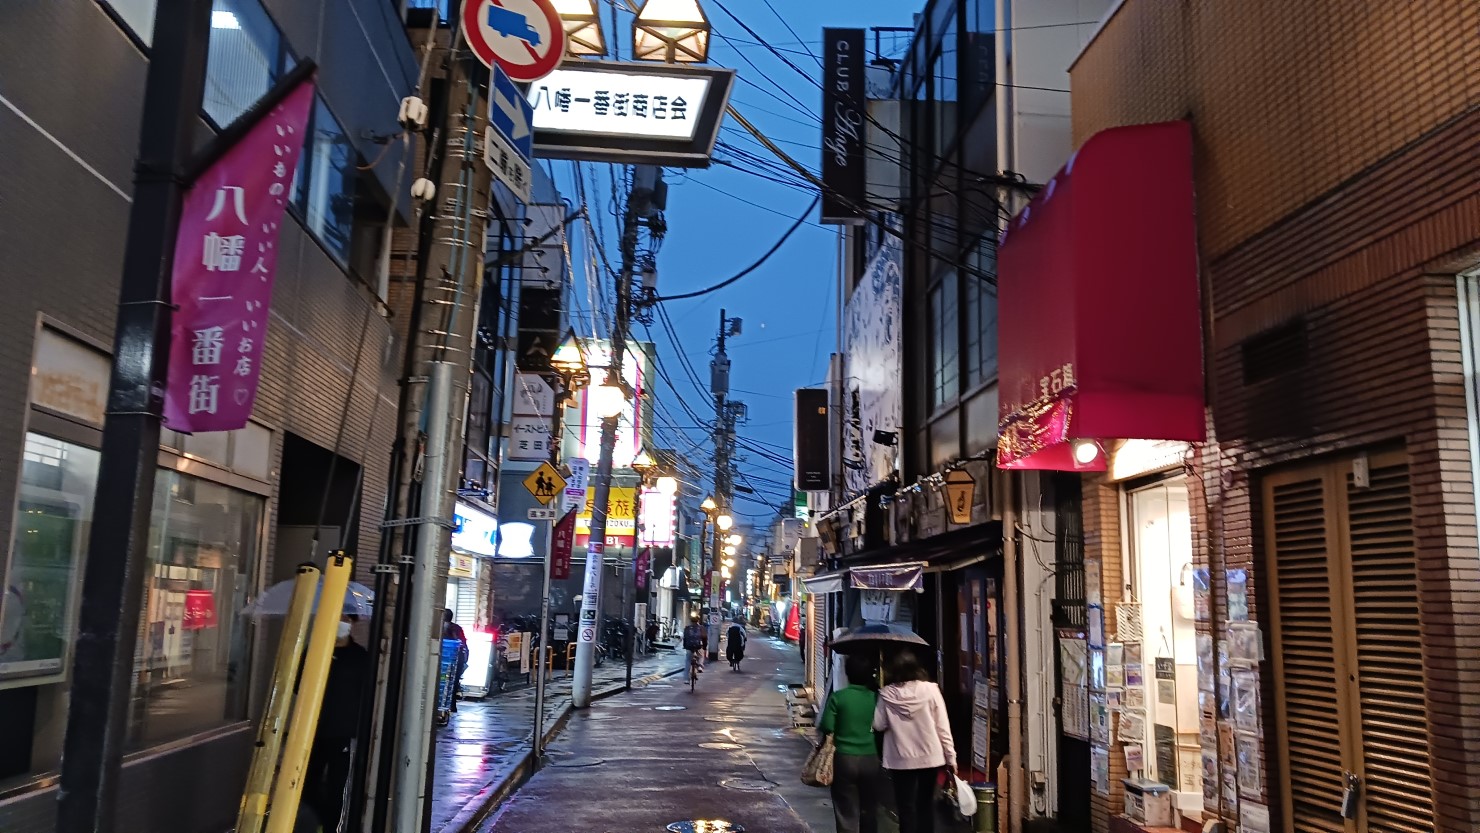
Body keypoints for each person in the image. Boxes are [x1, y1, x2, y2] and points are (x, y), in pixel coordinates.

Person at [873, 649, 956, 833]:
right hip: (930, 757)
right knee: (925, 805)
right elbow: (942, 726)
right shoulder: (931, 690)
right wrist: (951, 757)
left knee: (905, 807)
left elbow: (878, 725)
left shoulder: (887, 694)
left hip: (900, 759)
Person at [303, 614, 370, 833]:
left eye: (346, 619)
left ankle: (333, 828)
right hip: (312, 730)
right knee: (307, 783)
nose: (341, 622)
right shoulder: (315, 651)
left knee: (338, 786)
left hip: (345, 733)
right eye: (338, 617)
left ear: (352, 623)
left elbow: (368, 694)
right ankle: (322, 820)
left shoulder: (360, 657)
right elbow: (297, 686)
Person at [820, 653, 885, 833]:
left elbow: (826, 726)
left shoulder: (838, 697)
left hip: (844, 758)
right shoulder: (876, 698)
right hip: (870, 758)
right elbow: (882, 726)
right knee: (869, 806)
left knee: (845, 806)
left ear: (848, 673)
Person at [443, 609, 469, 710]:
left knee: (444, 681)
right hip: (457, 660)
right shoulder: (457, 628)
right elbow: (464, 644)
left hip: (446, 661)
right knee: (453, 681)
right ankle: (452, 705)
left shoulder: (442, 628)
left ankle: (446, 704)